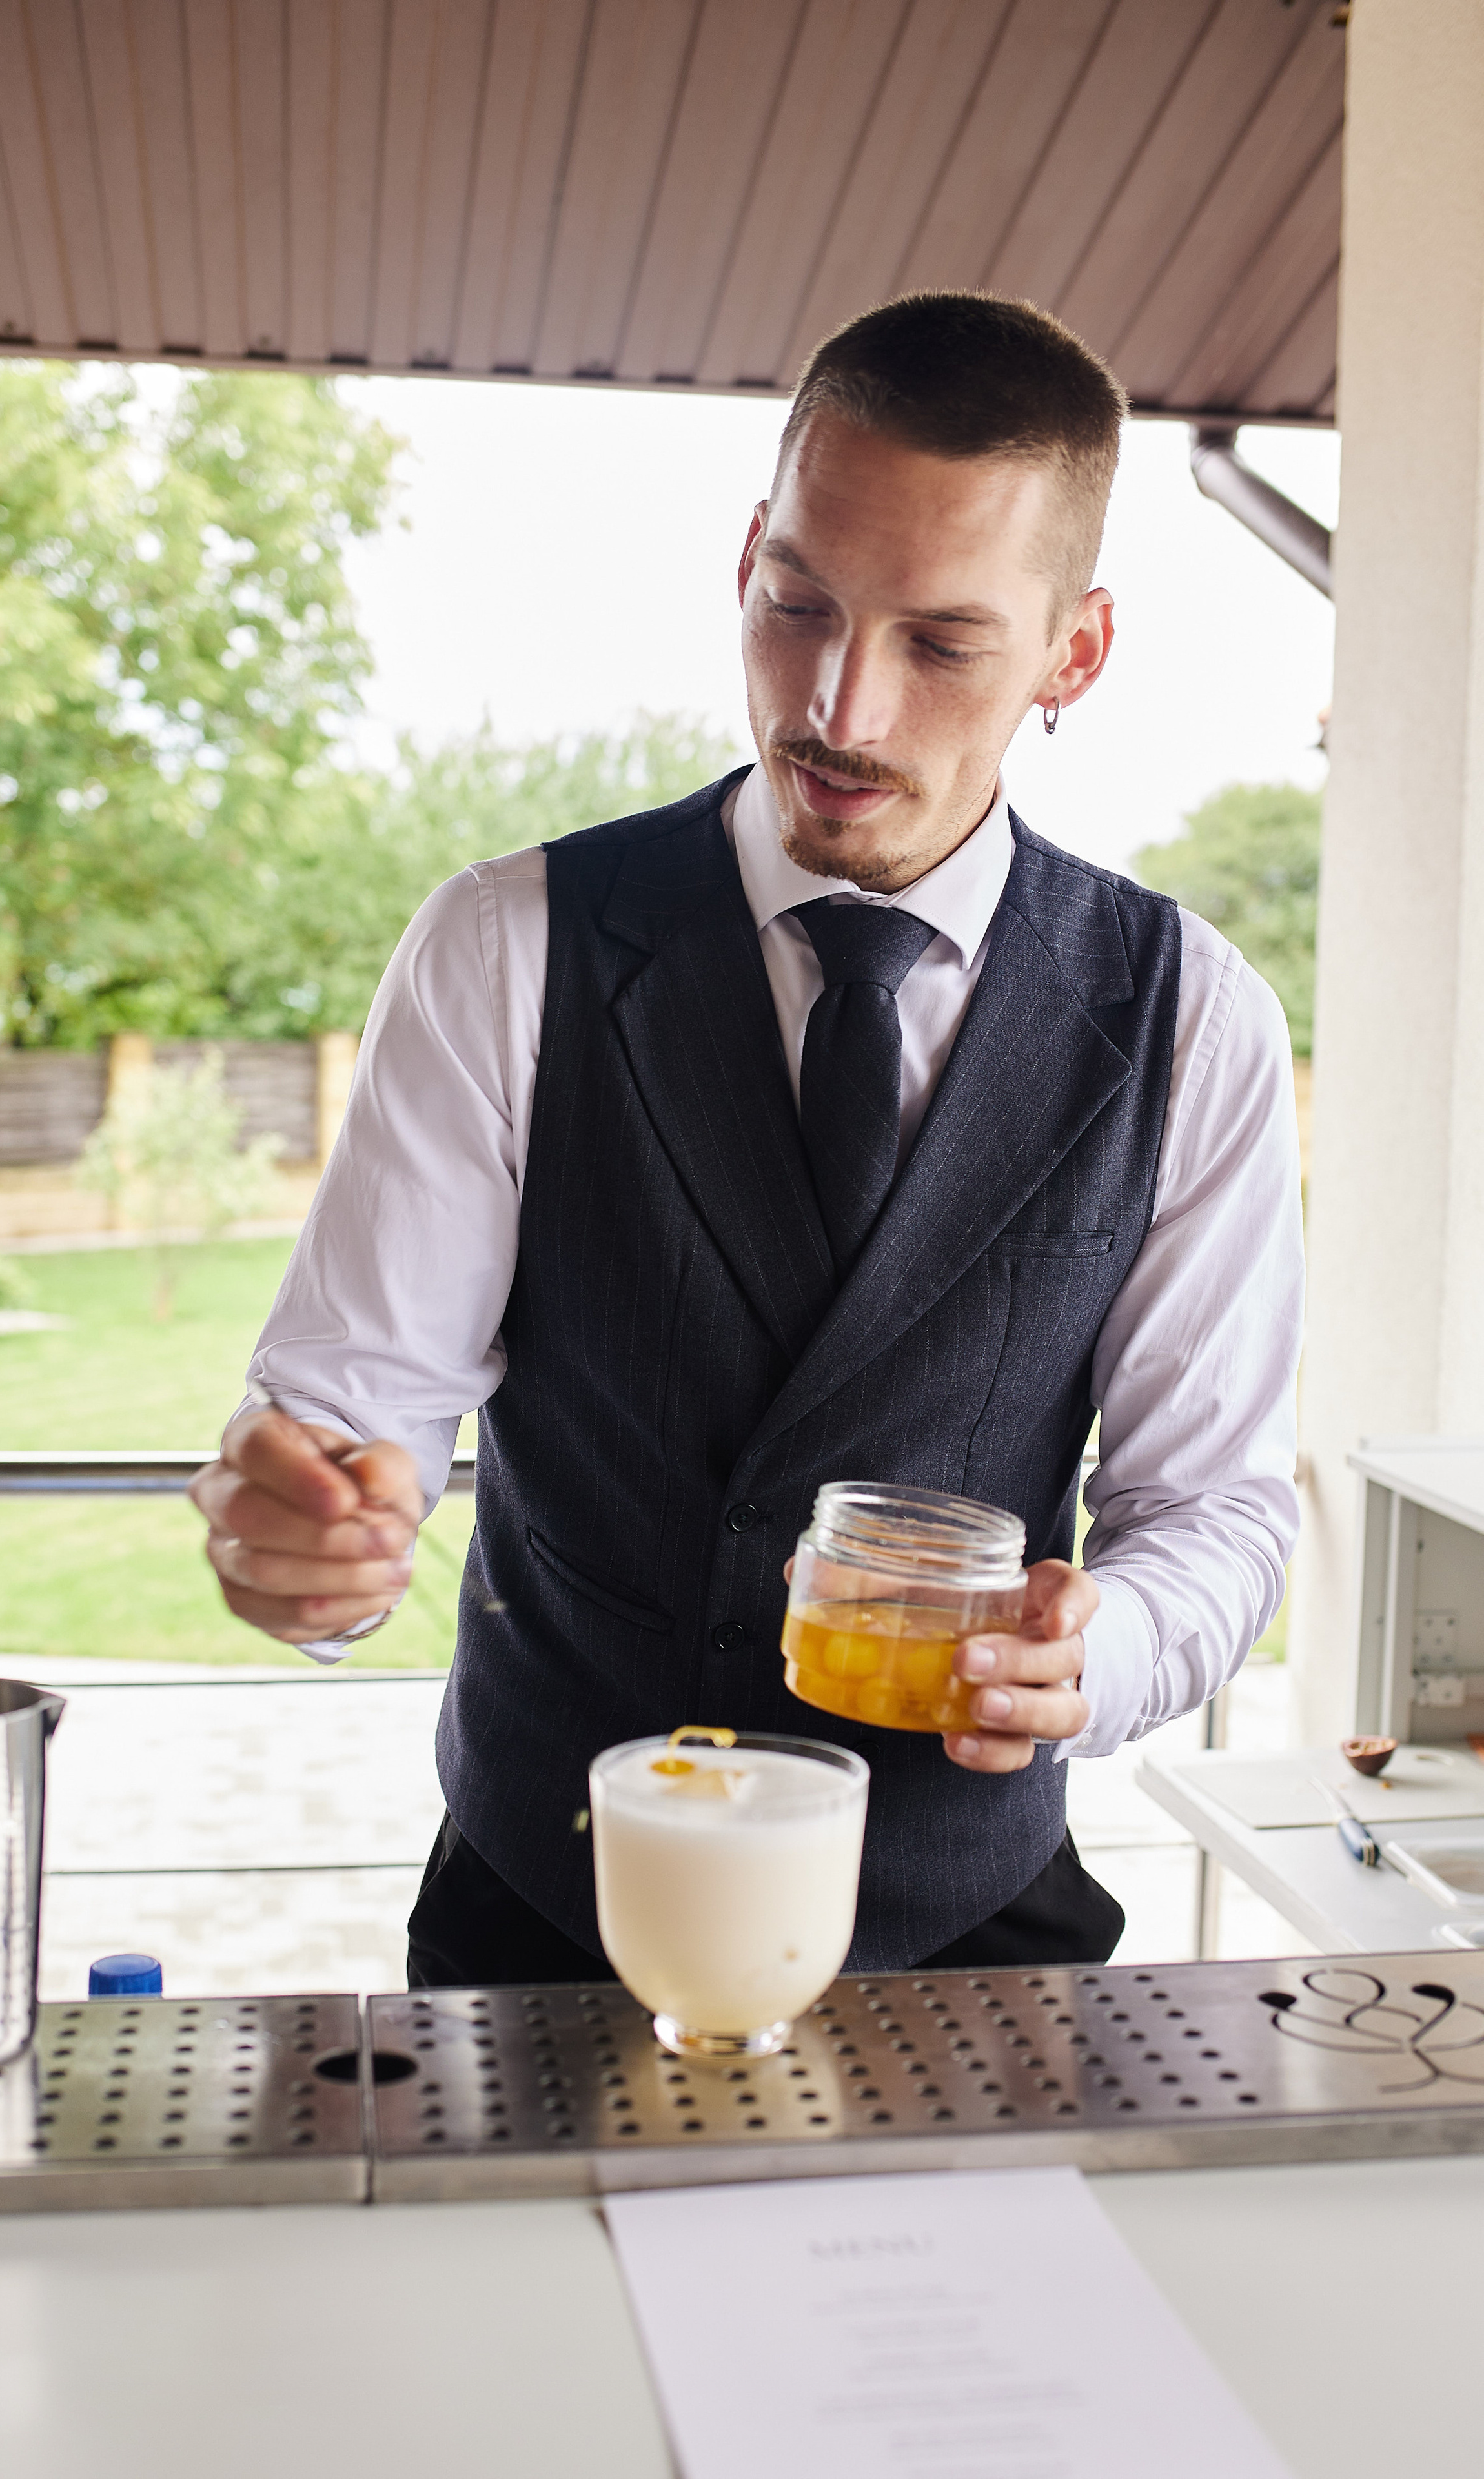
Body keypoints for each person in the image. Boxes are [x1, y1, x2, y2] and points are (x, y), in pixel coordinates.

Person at [190, 291, 1303, 1987]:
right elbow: (349, 1428)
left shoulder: (1191, 1018)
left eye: (942, 644)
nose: (837, 708)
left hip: (972, 1929)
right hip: (553, 1915)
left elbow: (1211, 1506)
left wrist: (1110, 1646)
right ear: (747, 559)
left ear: (1074, 654)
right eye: (798, 605)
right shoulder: (506, 948)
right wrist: (310, 1546)